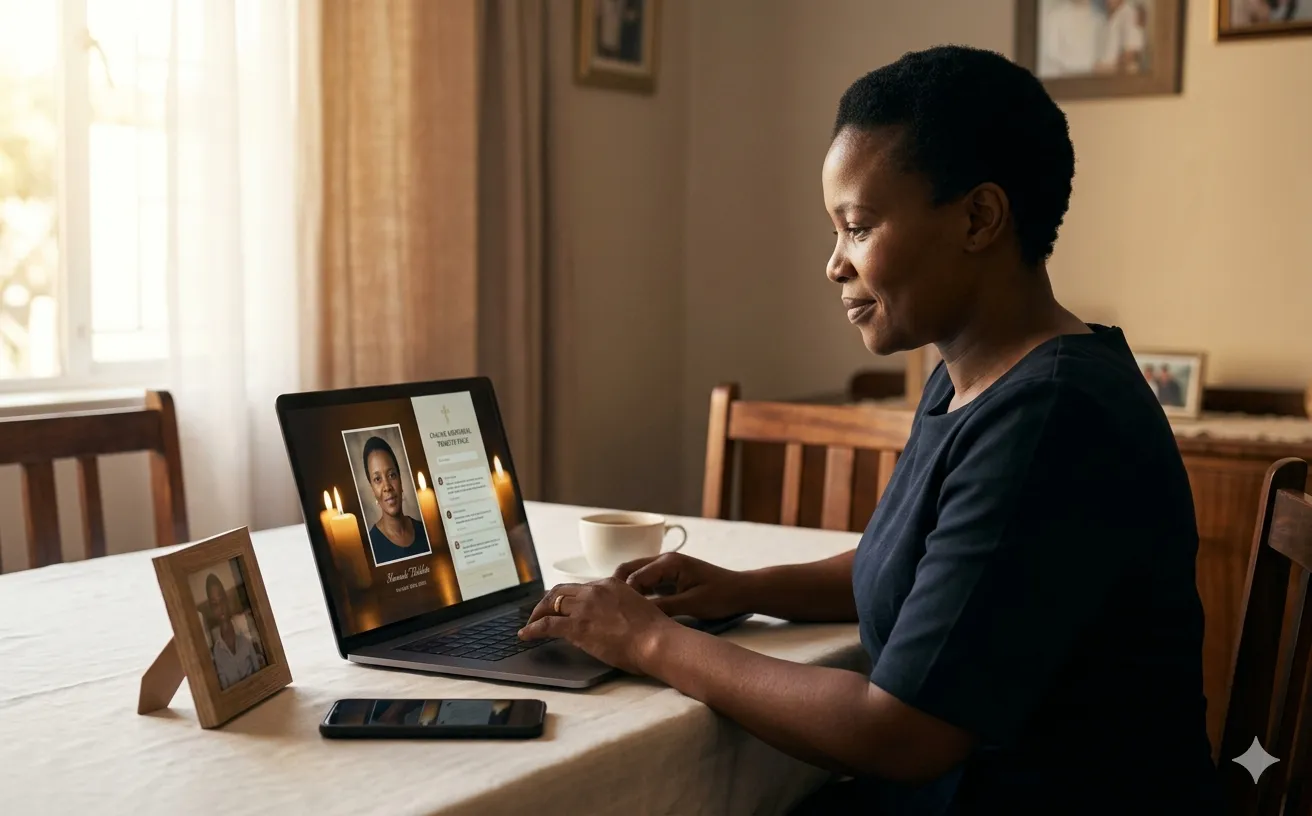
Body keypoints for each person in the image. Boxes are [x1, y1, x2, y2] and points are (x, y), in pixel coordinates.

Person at [518, 45, 1218, 814]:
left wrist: (649, 642)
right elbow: (923, 566)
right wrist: (742, 589)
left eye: (857, 227)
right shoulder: (970, 375)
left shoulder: (1051, 417)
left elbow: (903, 734)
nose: (833, 265)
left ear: (979, 217)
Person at [361, 435, 431, 564]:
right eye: (377, 479)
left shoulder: (426, 531)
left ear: (400, 481)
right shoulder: (370, 548)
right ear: (372, 489)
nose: (387, 486)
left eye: (392, 475)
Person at [203, 572, 265, 690]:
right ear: (211, 609)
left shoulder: (245, 636)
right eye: (214, 604)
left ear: (226, 600)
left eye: (221, 600)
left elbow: (259, 670)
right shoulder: (217, 652)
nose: (220, 607)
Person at [1038, 0, 1107, 77]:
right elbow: (1052, 54)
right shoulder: (1056, 16)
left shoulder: (1100, 20)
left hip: (1094, 81)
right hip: (1065, 79)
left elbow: (1104, 56)